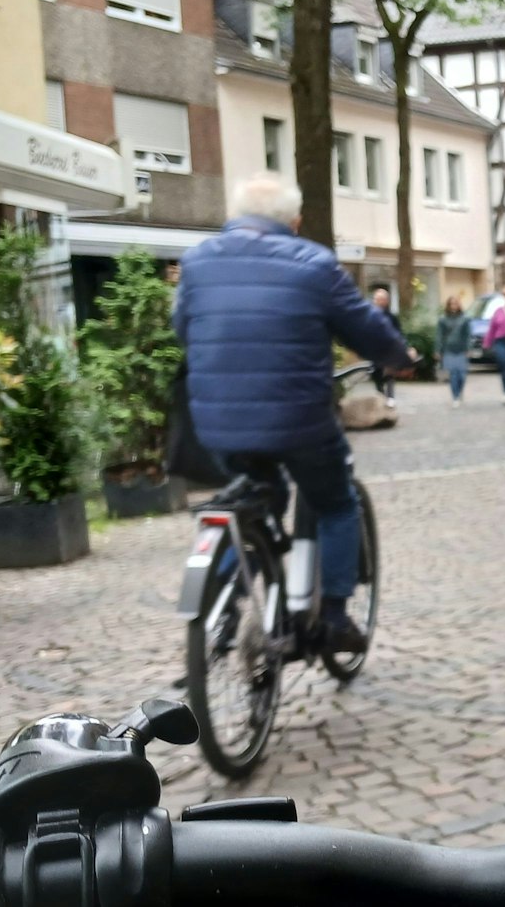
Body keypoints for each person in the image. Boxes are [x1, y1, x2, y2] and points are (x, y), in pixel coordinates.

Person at [172, 174, 408, 654]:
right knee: (336, 502)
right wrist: (400, 356)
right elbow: (366, 329)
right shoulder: (314, 262)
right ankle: (337, 620)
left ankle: (223, 607)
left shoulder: (196, 262)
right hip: (301, 422)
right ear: (295, 221)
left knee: (256, 496)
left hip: (217, 425)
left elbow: (184, 329)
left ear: (235, 216)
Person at [435, 294, 472, 407]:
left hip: (461, 350)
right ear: (448, 305)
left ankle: (460, 392)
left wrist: (468, 348)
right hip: (448, 350)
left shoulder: (465, 319)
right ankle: (455, 397)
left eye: (455, 303)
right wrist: (438, 350)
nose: (453, 306)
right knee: (453, 374)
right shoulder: (443, 319)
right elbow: (439, 336)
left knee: (462, 375)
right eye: (451, 304)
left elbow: (468, 335)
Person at [369, 284, 402, 407]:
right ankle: (380, 393)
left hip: (388, 349)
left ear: (387, 301)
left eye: (381, 299)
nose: (379, 301)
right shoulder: (369, 316)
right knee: (376, 373)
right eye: (376, 299)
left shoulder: (392, 317)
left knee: (389, 373)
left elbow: (398, 333)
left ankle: (390, 397)